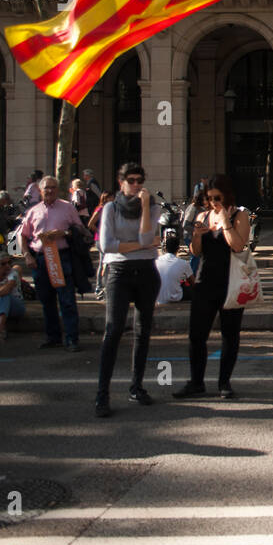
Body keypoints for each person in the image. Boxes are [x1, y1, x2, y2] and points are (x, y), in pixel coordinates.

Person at [174, 174, 251, 399]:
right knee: (196, 335)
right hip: (205, 281)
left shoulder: (239, 215)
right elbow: (195, 252)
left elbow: (238, 246)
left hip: (231, 282)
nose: (213, 202)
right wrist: (197, 236)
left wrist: (225, 222)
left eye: (217, 197)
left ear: (227, 195)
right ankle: (196, 381)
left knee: (230, 334)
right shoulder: (203, 215)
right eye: (209, 198)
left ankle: (224, 382)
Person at [95, 162, 162, 417]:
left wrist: (144, 207)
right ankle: (102, 394)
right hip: (119, 273)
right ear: (120, 181)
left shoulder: (152, 206)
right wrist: (142, 245)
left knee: (143, 331)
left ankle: (137, 387)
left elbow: (147, 239)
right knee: (113, 331)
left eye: (139, 180)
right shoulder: (111, 208)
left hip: (146, 271)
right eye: (131, 180)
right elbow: (107, 245)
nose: (136, 185)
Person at [20, 175, 88, 352]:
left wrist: (64, 233)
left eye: (53, 187)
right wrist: (27, 255)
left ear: (58, 190)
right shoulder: (33, 211)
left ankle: (72, 339)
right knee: (46, 300)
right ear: (40, 191)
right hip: (40, 259)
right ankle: (53, 337)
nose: (49, 191)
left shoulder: (67, 208)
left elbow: (81, 230)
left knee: (66, 300)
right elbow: (22, 235)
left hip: (62, 257)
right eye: (46, 188)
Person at [87, 189, 114, 298]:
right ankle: (99, 287)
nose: (113, 199)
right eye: (110, 197)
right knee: (103, 263)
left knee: (107, 263)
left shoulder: (112, 208)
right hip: (101, 240)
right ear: (105, 198)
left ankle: (105, 286)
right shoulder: (100, 209)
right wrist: (100, 231)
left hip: (109, 238)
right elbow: (90, 224)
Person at [155, 233, 194, 304]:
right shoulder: (183, 263)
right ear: (178, 249)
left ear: (165, 248)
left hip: (158, 296)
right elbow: (192, 282)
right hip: (176, 297)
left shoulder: (156, 261)